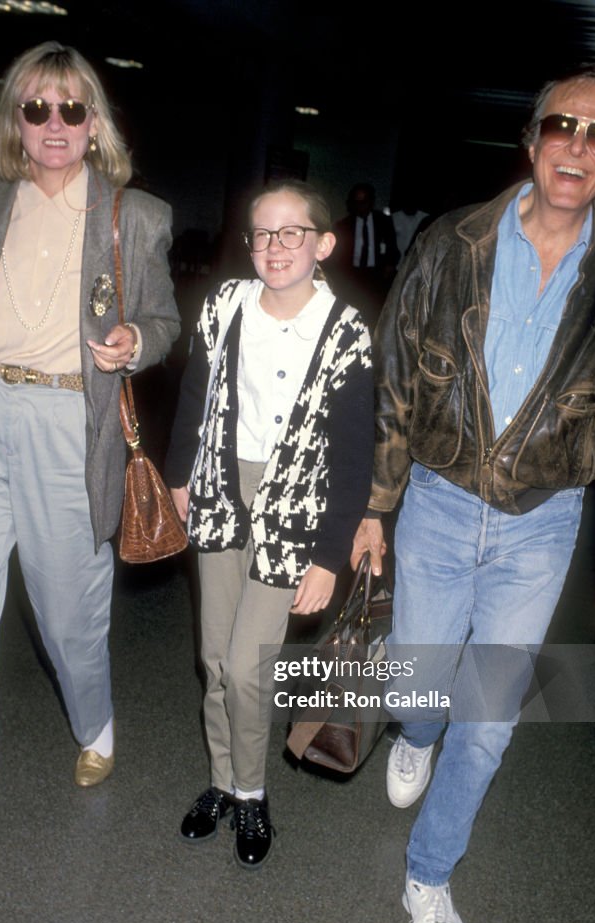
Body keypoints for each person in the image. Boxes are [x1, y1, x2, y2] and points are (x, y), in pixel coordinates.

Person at [352, 65, 595, 923]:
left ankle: (428, 876)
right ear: (530, 141)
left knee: (487, 719)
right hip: (439, 505)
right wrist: (377, 503)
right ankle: (414, 730)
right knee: (420, 684)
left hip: (540, 524)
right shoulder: (451, 244)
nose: (577, 143)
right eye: (562, 125)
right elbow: (398, 384)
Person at [0, 42, 180, 882]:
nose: (52, 124)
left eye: (70, 109)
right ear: (15, 117)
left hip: (63, 423)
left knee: (66, 620)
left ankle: (95, 719)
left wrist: (134, 341)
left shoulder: (132, 216)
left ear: (93, 124)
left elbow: (162, 319)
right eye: (36, 108)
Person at [165, 180, 373, 869]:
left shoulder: (345, 332)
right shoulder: (225, 304)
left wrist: (328, 555)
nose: (274, 246)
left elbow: (350, 456)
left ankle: (251, 794)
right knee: (214, 659)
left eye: (291, 233)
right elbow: (197, 392)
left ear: (323, 245)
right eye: (262, 233)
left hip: (298, 510)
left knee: (250, 668)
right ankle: (221, 782)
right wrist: (177, 478)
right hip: (223, 488)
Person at [333, 182, 399, 329]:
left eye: (364, 201)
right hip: (352, 276)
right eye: (357, 202)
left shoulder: (383, 221)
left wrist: (389, 265)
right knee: (352, 315)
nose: (361, 206)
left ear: (371, 202)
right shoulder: (343, 226)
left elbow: (393, 248)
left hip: (376, 276)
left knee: (374, 315)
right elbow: (337, 258)